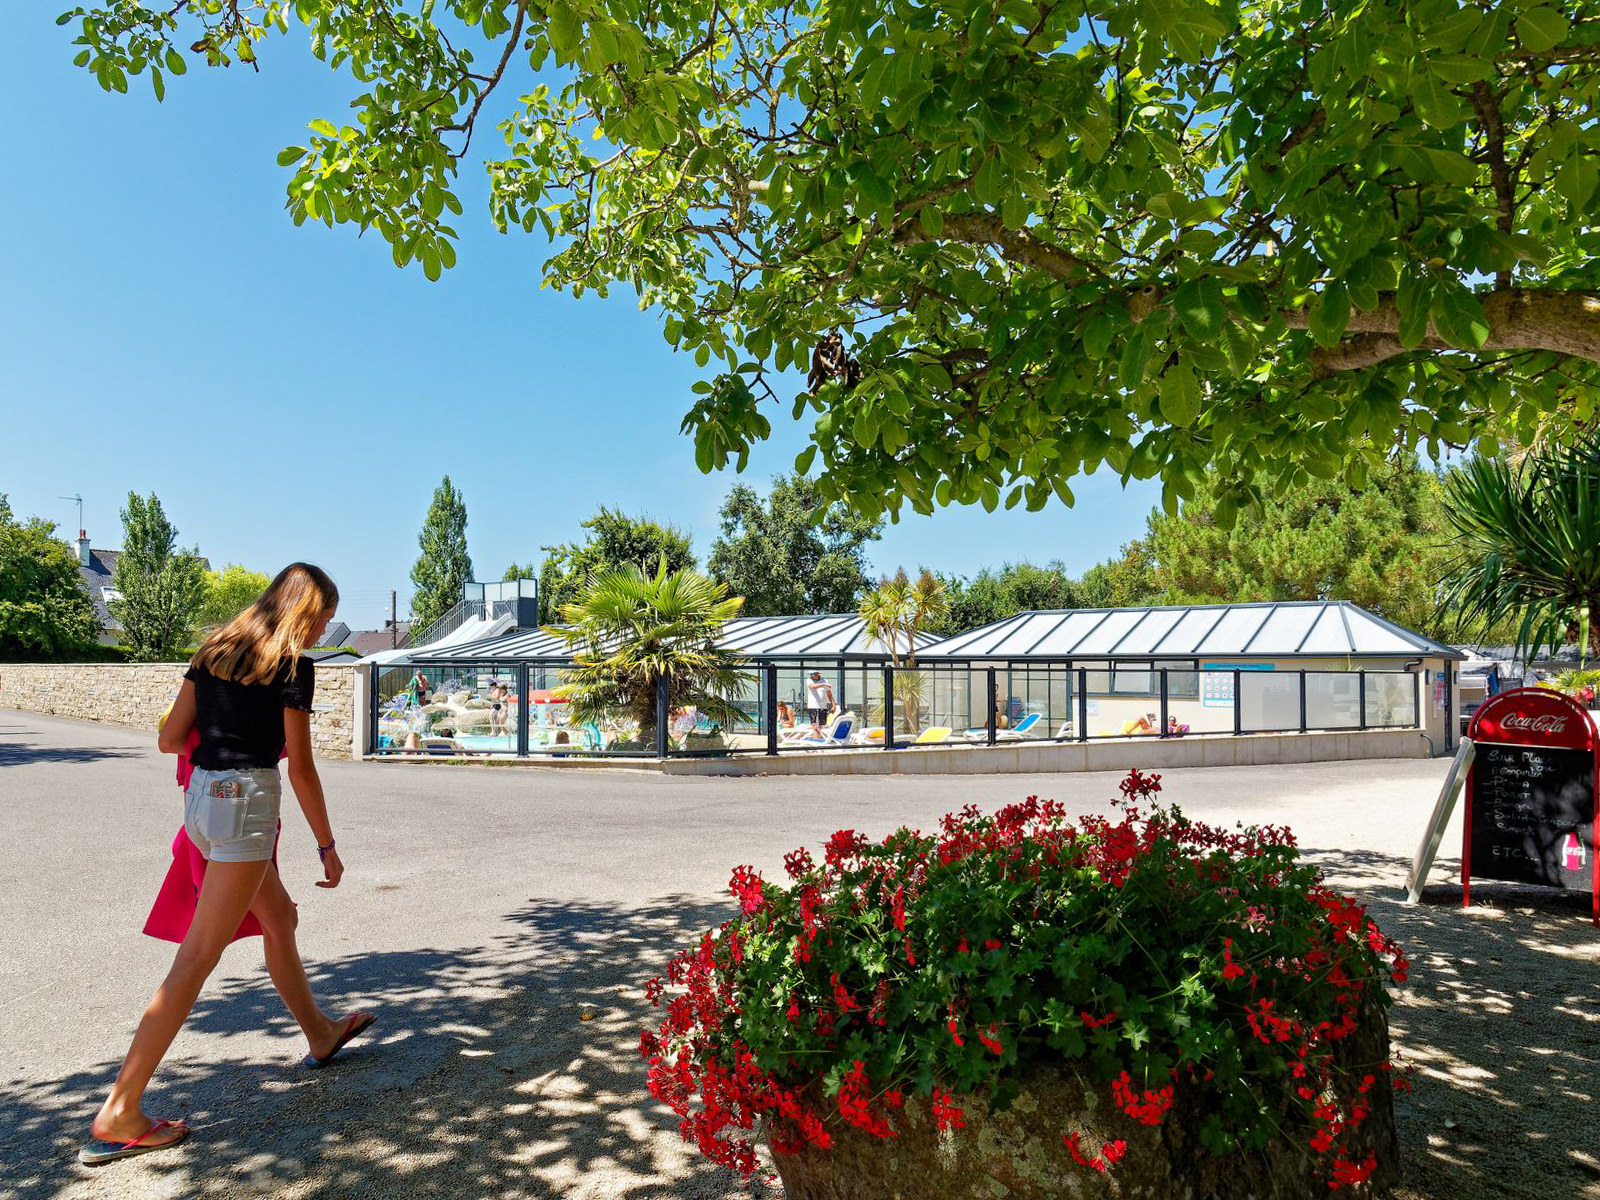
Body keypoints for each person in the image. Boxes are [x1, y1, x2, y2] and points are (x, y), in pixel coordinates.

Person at [80, 563, 375, 1167]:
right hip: (246, 805)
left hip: (202, 802)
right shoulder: (294, 666)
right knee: (195, 958)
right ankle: (121, 1109)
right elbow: (301, 767)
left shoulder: (214, 649)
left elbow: (169, 738)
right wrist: (326, 843)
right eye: (321, 619)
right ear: (305, 612)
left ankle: (319, 1031)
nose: (322, 632)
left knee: (281, 919)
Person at [804, 671, 835, 737]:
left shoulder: (824, 680)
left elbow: (829, 694)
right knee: (814, 725)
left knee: (822, 725)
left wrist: (833, 705)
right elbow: (813, 686)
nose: (811, 676)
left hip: (823, 706)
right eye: (811, 674)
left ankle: (821, 738)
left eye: (813, 674)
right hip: (812, 706)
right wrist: (824, 685)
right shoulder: (809, 680)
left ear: (817, 674)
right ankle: (816, 738)